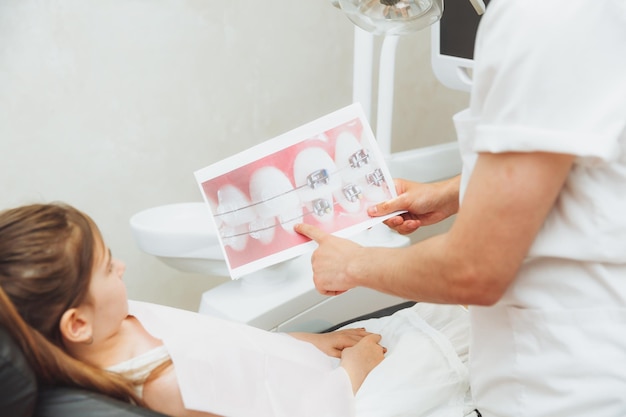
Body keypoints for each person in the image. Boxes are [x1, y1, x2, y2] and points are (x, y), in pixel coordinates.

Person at [294, 0, 626, 416]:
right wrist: (455, 192)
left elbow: (474, 269)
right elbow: (572, 155)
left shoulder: (540, 20)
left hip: (564, 388)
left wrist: (352, 265)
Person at [0, 202, 474, 417]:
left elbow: (228, 344)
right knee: (452, 354)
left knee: (451, 325)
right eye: (107, 268)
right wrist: (355, 369)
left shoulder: (116, 323)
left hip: (308, 364)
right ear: (77, 324)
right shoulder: (166, 387)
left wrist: (313, 341)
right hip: (330, 398)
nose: (120, 267)